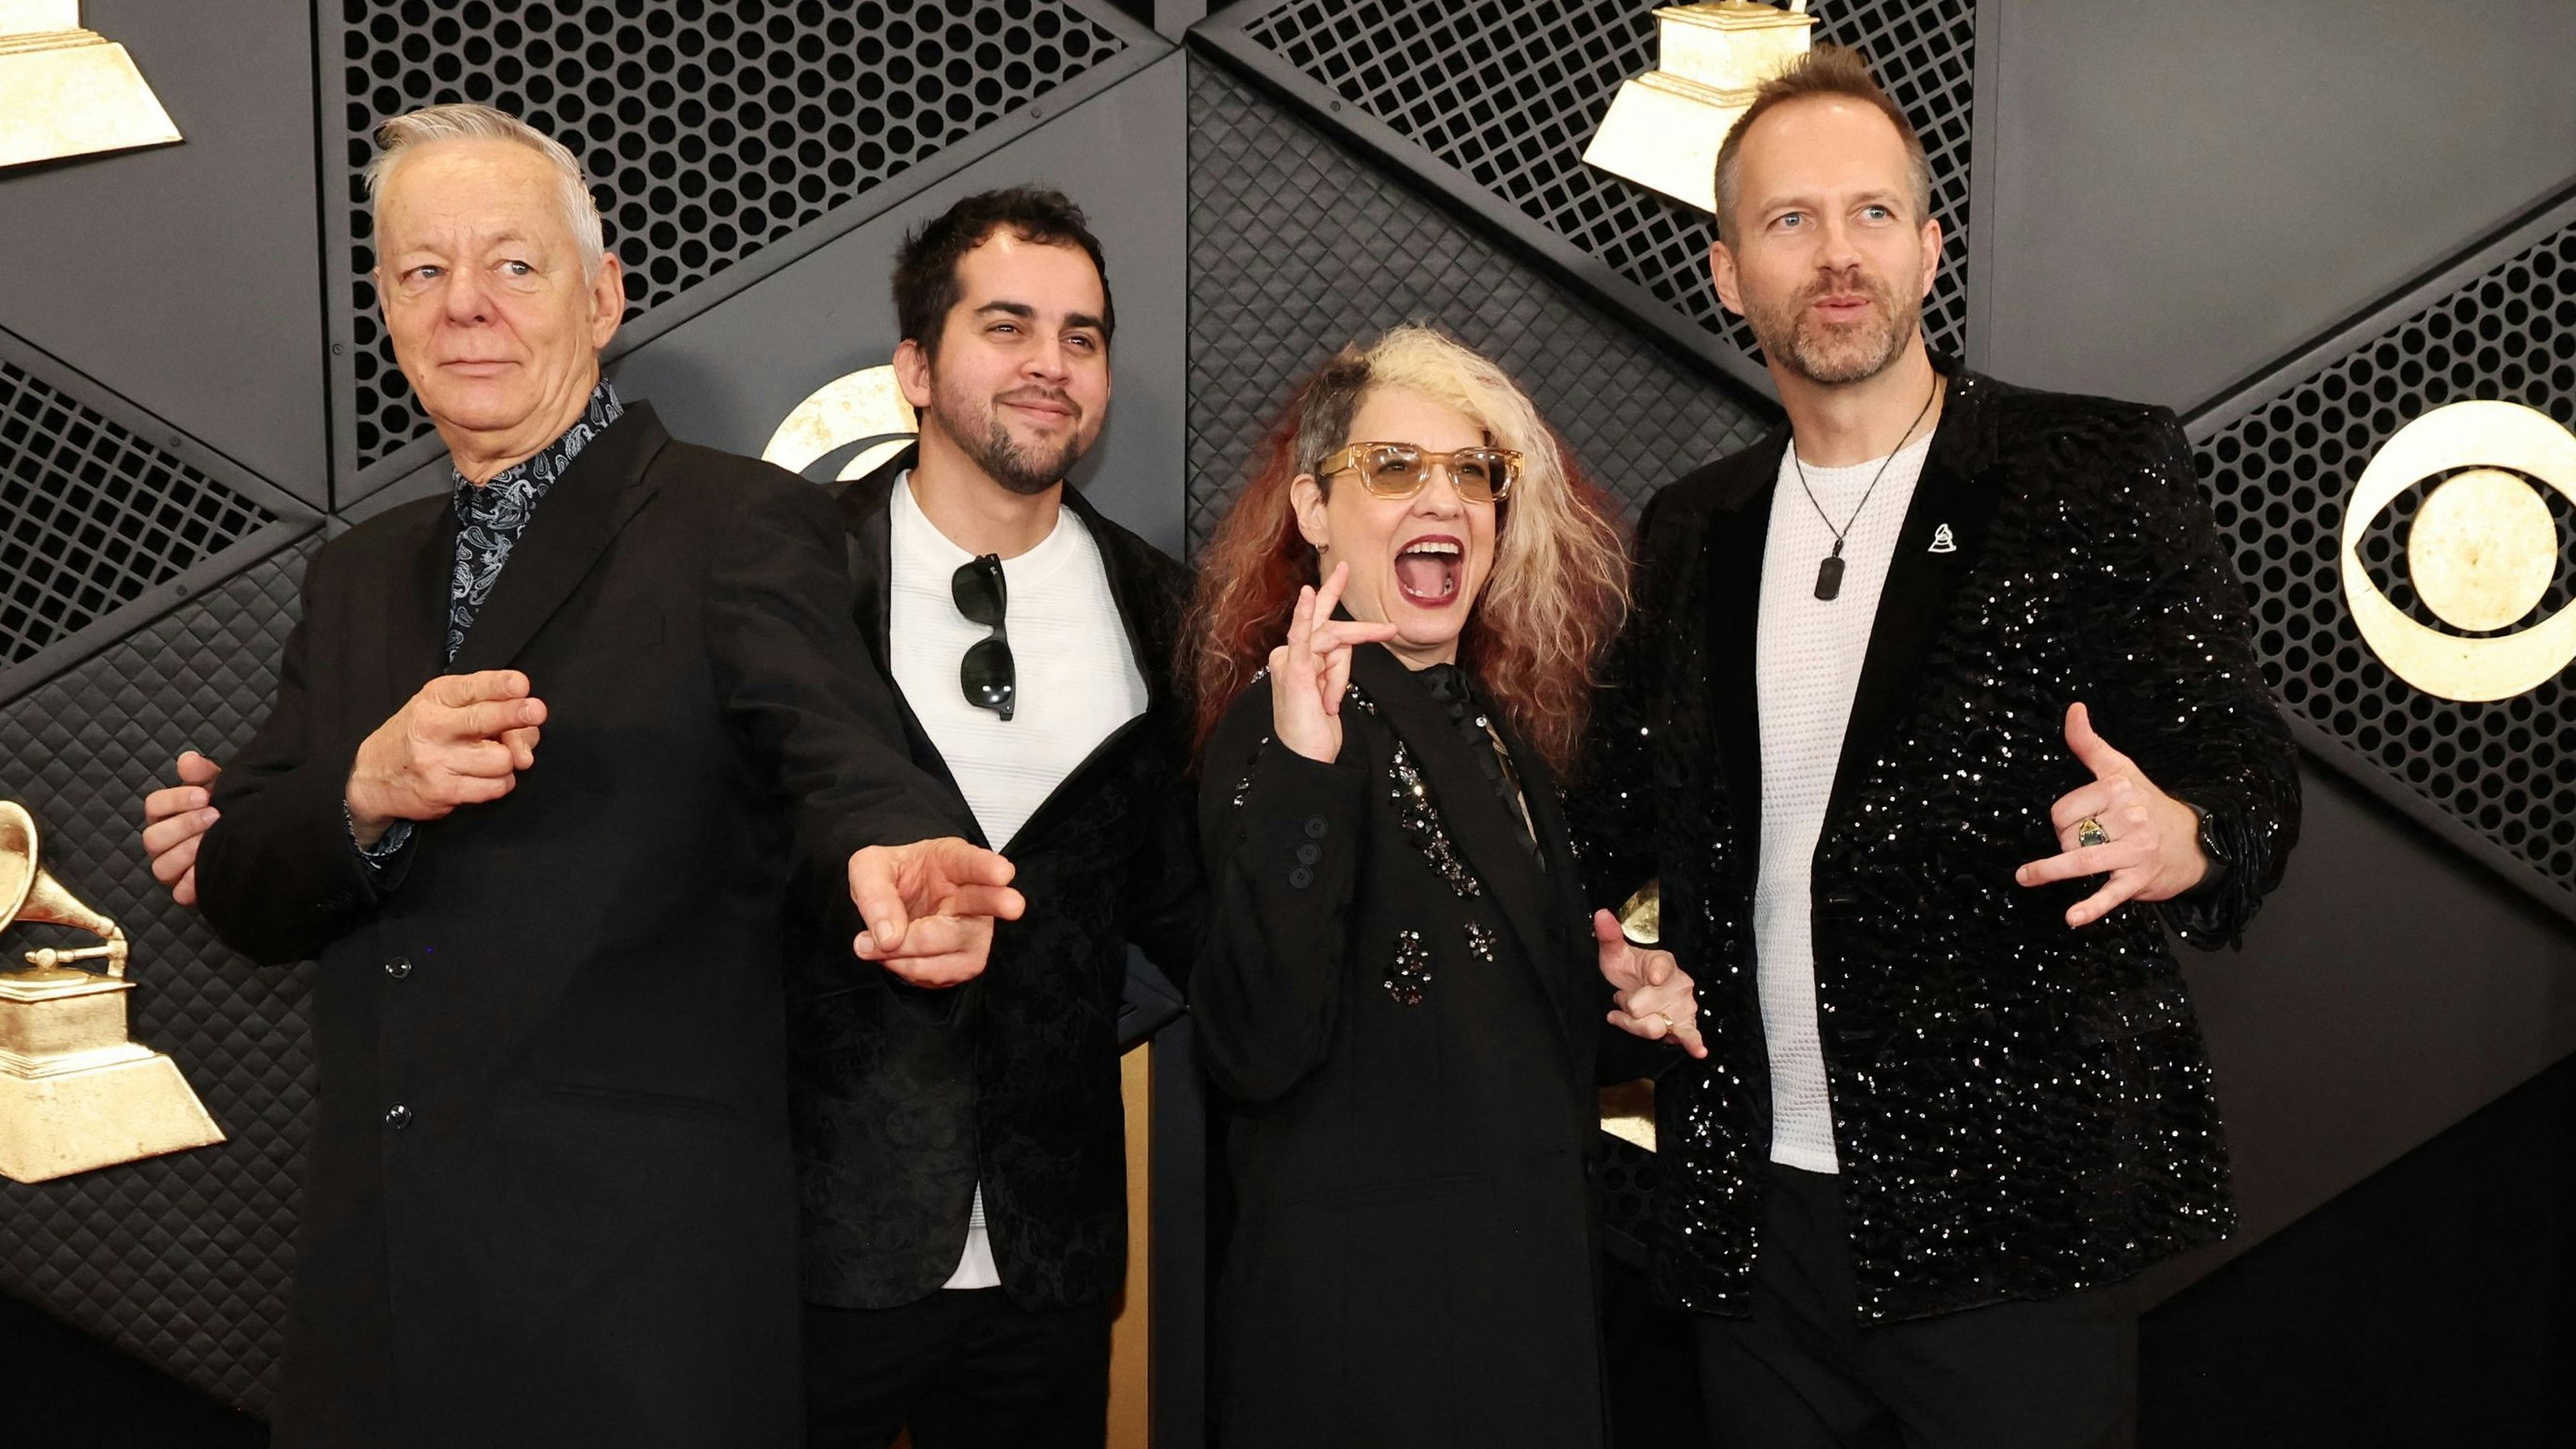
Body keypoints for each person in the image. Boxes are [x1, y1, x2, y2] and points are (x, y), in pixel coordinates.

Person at [154, 103, 1017, 1447]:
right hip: (378, 1311)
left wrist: (890, 847)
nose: (465, 307)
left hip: (633, 1316)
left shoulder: (735, 522)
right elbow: (248, 881)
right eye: (421, 271)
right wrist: (363, 788)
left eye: (512, 263)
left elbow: (841, 749)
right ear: (383, 308)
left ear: (602, 293)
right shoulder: (355, 574)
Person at [1572, 46, 2302, 1447]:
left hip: (2013, 1230)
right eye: (1789, 221)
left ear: (1928, 246)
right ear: (1728, 271)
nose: (1834, 255)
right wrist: (1616, 953)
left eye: (1870, 213)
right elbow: (1605, 827)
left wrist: (2182, 835)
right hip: (1750, 1226)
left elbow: (2246, 773)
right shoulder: (1692, 527)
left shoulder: (2086, 472)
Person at [1184, 325, 1704, 1449]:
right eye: (1394, 466)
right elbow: (1252, 1043)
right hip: (1369, 1362)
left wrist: (1631, 1012)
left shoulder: (1491, 728)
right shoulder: (1282, 728)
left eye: (1473, 471)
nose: (1445, 497)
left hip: (1520, 1334)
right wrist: (1305, 773)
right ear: (1312, 511)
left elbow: (1501, 1043)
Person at [791, 189, 1202, 1449]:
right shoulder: (794, 575)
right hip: (810, 1244)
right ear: (915, 366)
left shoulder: (1167, 609)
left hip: (1054, 1256)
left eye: (1081, 338)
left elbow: (1183, 912)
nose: (1049, 364)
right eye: (1009, 326)